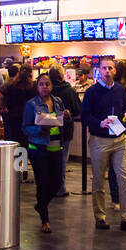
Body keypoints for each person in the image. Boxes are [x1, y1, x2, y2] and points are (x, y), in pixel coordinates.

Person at [81, 59, 126, 232]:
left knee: (124, 177)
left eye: (110, 68)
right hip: (100, 140)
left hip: (119, 139)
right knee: (99, 180)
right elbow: (85, 117)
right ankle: (100, 217)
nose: (107, 71)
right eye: (104, 68)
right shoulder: (91, 92)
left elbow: (123, 109)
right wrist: (100, 123)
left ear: (115, 71)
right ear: (98, 70)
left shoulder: (120, 90)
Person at [23, 73, 66, 233]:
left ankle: (41, 205)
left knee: (56, 184)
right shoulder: (31, 105)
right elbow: (25, 128)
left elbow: (61, 122)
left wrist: (66, 118)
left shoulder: (58, 102)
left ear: (52, 86)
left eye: (47, 84)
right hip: (38, 149)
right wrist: (40, 129)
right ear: (37, 86)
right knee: (42, 183)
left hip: (56, 148)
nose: (44, 87)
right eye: (41, 84)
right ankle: (45, 219)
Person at [107, 59, 126, 212]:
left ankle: (116, 199)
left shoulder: (113, 88)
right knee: (125, 167)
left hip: (114, 128)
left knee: (114, 167)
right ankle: (124, 201)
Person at [0, 65, 36, 182]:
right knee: (25, 146)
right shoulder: (32, 87)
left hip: (12, 119)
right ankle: (24, 173)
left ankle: (15, 172)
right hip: (26, 119)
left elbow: (0, 95)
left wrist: (4, 107)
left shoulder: (11, 85)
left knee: (15, 146)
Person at [49, 66, 80, 198]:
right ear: (62, 75)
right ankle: (60, 187)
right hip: (64, 130)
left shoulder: (46, 89)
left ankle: (49, 186)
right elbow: (78, 110)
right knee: (62, 159)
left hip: (47, 129)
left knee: (49, 158)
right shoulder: (69, 91)